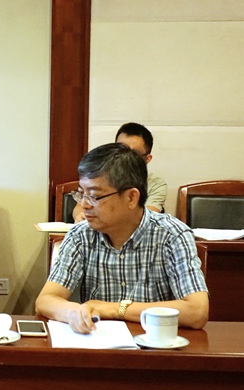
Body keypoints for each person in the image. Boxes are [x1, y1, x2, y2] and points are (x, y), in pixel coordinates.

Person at [36, 142, 208, 334]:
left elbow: (197, 311)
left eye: (94, 196)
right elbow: (45, 300)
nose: (84, 205)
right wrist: (72, 312)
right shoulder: (80, 235)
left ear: (131, 198)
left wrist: (112, 309)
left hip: (154, 344)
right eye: (81, 194)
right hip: (99, 342)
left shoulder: (172, 235)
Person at [73, 122, 167, 222]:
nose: (126, 157)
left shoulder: (156, 185)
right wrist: (82, 217)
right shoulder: (102, 176)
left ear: (147, 159)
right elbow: (80, 207)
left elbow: (144, 218)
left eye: (134, 153)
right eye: (121, 150)